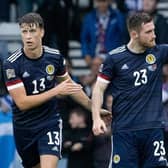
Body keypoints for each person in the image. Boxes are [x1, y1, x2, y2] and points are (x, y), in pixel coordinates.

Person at [2, 12, 110, 168]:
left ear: (42, 32)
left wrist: (94, 109)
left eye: (32, 31)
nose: (28, 36)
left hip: (49, 122)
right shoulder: (12, 64)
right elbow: (22, 103)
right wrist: (55, 91)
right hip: (24, 127)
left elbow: (70, 87)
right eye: (24, 31)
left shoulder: (54, 57)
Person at [92, 11, 168, 167]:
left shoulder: (159, 52)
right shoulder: (114, 58)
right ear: (134, 34)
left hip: (153, 128)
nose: (154, 35)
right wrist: (96, 117)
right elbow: (98, 88)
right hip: (125, 131)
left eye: (153, 30)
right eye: (148, 32)